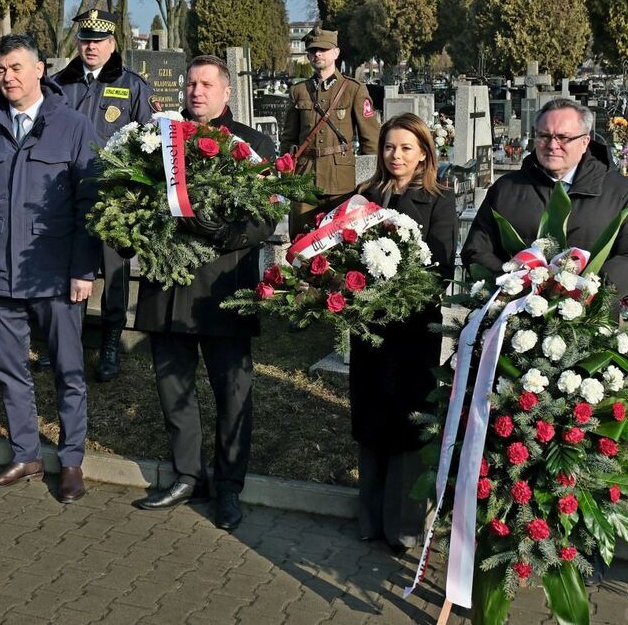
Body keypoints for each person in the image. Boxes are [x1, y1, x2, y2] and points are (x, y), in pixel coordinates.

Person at [130, 55, 274, 530]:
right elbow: (127, 199)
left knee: (233, 393)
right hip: (168, 290)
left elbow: (265, 217)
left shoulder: (252, 146)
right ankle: (188, 475)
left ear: (226, 92)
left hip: (223, 289)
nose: (196, 91)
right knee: (174, 389)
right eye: (191, 83)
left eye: (207, 84)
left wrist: (225, 233)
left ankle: (229, 487)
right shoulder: (157, 142)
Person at [0, 35, 100, 503]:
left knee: (68, 369)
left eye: (17, 68)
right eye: (0, 70)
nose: (8, 78)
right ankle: (26, 454)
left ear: (40, 70)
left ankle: (71, 460)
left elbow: (90, 205)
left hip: (55, 275)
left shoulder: (74, 127)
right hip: (0, 274)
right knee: (9, 368)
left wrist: (84, 269)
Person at [348, 113, 457, 553]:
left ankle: (405, 527)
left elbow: (442, 265)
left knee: (408, 423)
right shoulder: (364, 195)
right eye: (390, 147)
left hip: (412, 332)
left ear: (424, 153)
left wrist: (398, 285)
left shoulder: (439, 201)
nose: (396, 156)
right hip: (370, 331)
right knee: (371, 421)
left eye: (406, 148)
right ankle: (370, 520)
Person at [50, 9, 154, 382]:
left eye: (98, 41)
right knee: (67, 269)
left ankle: (110, 341)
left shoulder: (132, 86)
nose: (90, 47)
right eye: (85, 40)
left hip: (113, 198)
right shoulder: (59, 84)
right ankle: (66, 342)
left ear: (112, 44)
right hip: (67, 194)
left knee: (114, 272)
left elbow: (147, 143)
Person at [462, 98, 628, 300]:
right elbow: (477, 250)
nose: (552, 145)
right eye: (544, 136)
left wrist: (588, 292)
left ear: (584, 142)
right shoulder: (507, 189)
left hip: (587, 319)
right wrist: (514, 284)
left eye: (563, 137)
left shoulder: (617, 191)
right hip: (513, 313)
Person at [279, 28, 380, 237]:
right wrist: (286, 174)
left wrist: (370, 183)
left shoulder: (354, 89)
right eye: (313, 50)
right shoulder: (299, 91)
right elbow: (289, 137)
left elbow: (371, 140)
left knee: (342, 242)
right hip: (305, 179)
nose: (317, 54)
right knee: (300, 240)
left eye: (323, 49)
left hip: (342, 181)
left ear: (336, 52)